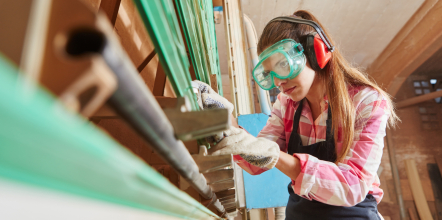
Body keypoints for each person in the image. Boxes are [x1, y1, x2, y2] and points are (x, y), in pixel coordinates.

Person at [194, 10, 399, 220]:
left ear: (315, 52)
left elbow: (352, 186)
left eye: (282, 65)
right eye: (269, 73)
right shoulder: (286, 104)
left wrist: (276, 157)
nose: (277, 82)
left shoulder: (366, 102)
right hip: (301, 211)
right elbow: (256, 161)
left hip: (351, 213)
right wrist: (225, 123)